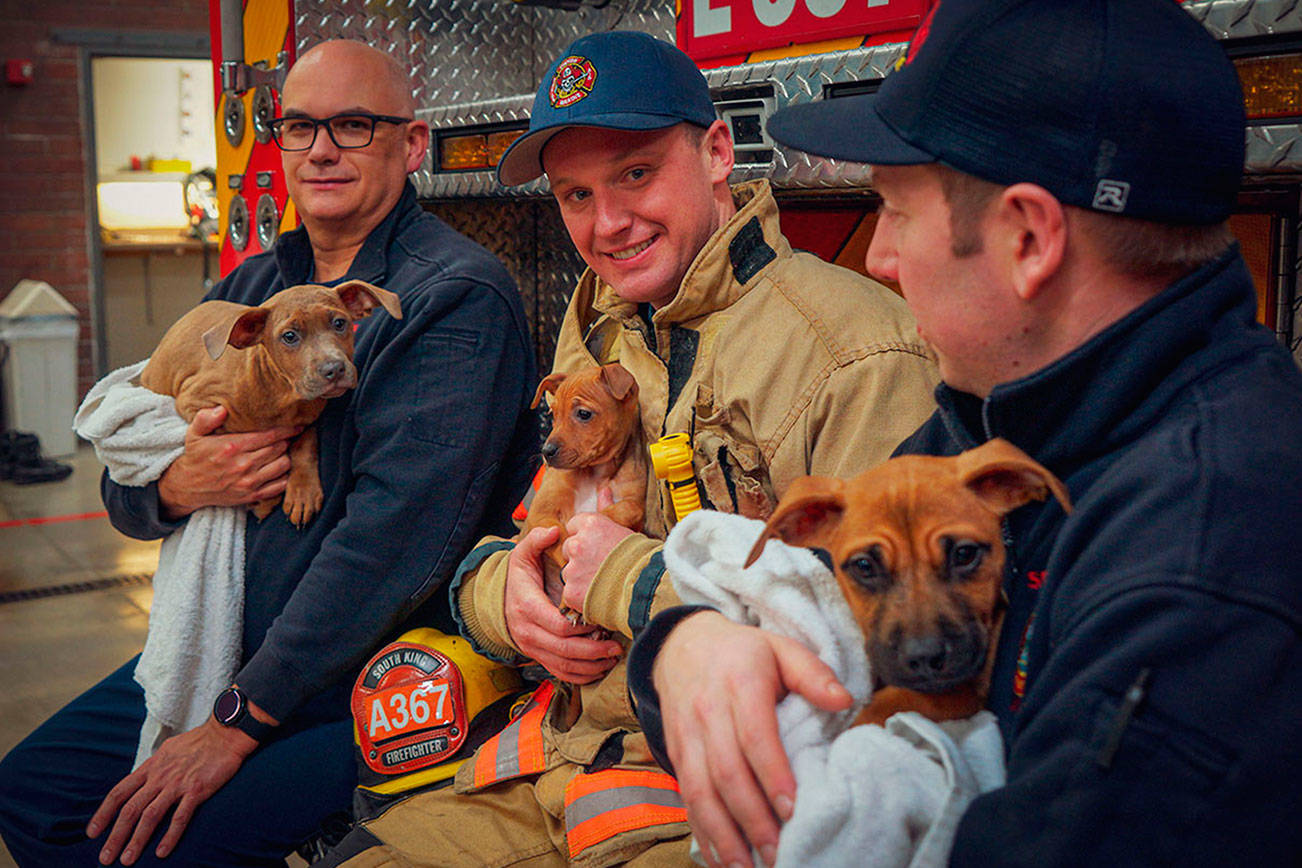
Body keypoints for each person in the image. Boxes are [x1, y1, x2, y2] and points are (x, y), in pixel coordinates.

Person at [627, 0, 1302, 865]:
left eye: (896, 214)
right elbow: (815, 582)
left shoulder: (1201, 566)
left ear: (1027, 238)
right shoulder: (1013, 407)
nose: (878, 259)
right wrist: (684, 649)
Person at [322, 30, 938, 867]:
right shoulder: (601, 324)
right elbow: (535, 522)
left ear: (718, 152)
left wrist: (628, 577)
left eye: (636, 175)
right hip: (550, 770)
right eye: (574, 195)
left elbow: (885, 648)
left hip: (710, 800)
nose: (606, 224)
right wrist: (500, 598)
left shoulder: (856, 352)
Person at [0, 40, 537, 867]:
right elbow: (128, 479)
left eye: (354, 125)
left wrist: (236, 721)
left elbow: (389, 546)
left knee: (153, 848)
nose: (321, 148)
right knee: (31, 793)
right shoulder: (249, 290)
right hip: (221, 644)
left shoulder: (452, 297)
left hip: (364, 677)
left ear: (413, 144)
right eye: (299, 126)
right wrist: (176, 487)